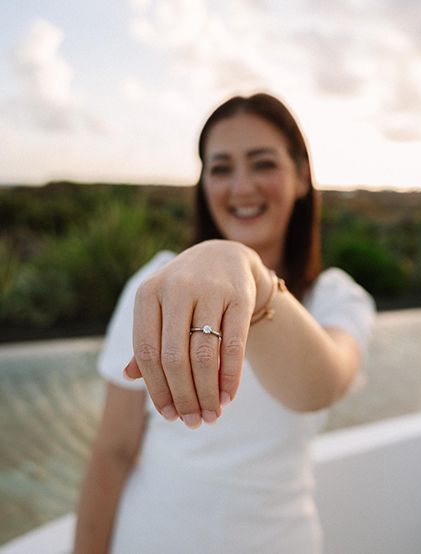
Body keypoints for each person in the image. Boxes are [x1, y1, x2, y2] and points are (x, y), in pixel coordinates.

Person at [74, 93, 375, 553]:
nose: (241, 186)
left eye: (263, 164)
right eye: (220, 168)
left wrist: (250, 273)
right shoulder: (157, 284)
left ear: (301, 177)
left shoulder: (336, 297)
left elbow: (320, 386)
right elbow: (112, 451)